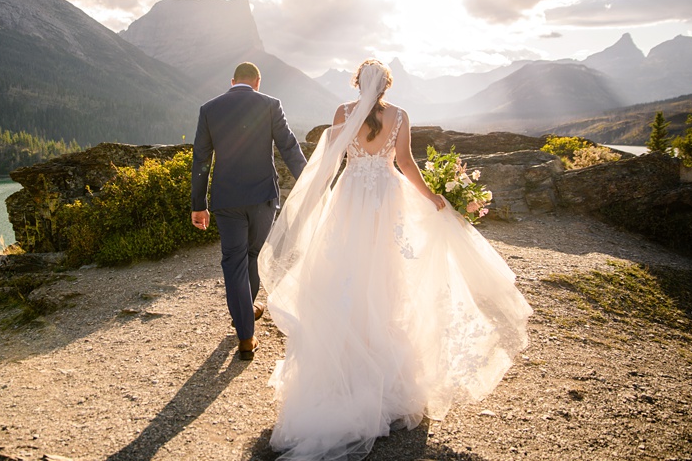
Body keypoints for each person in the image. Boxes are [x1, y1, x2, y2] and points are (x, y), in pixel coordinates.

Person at [259, 59, 532, 460]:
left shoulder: (343, 113)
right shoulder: (400, 116)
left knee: (344, 274)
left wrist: (313, 200)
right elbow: (405, 164)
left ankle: (343, 374)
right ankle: (384, 376)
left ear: (357, 84)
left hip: (349, 199)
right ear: (386, 86)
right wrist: (433, 198)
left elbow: (332, 160)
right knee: (386, 278)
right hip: (386, 201)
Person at [191, 61, 307, 360]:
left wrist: (199, 204)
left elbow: (201, 160)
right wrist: (310, 183)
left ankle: (245, 332)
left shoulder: (209, 109)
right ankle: (245, 317)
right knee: (252, 256)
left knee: (233, 261)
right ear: (257, 81)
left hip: (226, 200)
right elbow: (289, 147)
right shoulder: (270, 104)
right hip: (261, 198)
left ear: (233, 81)